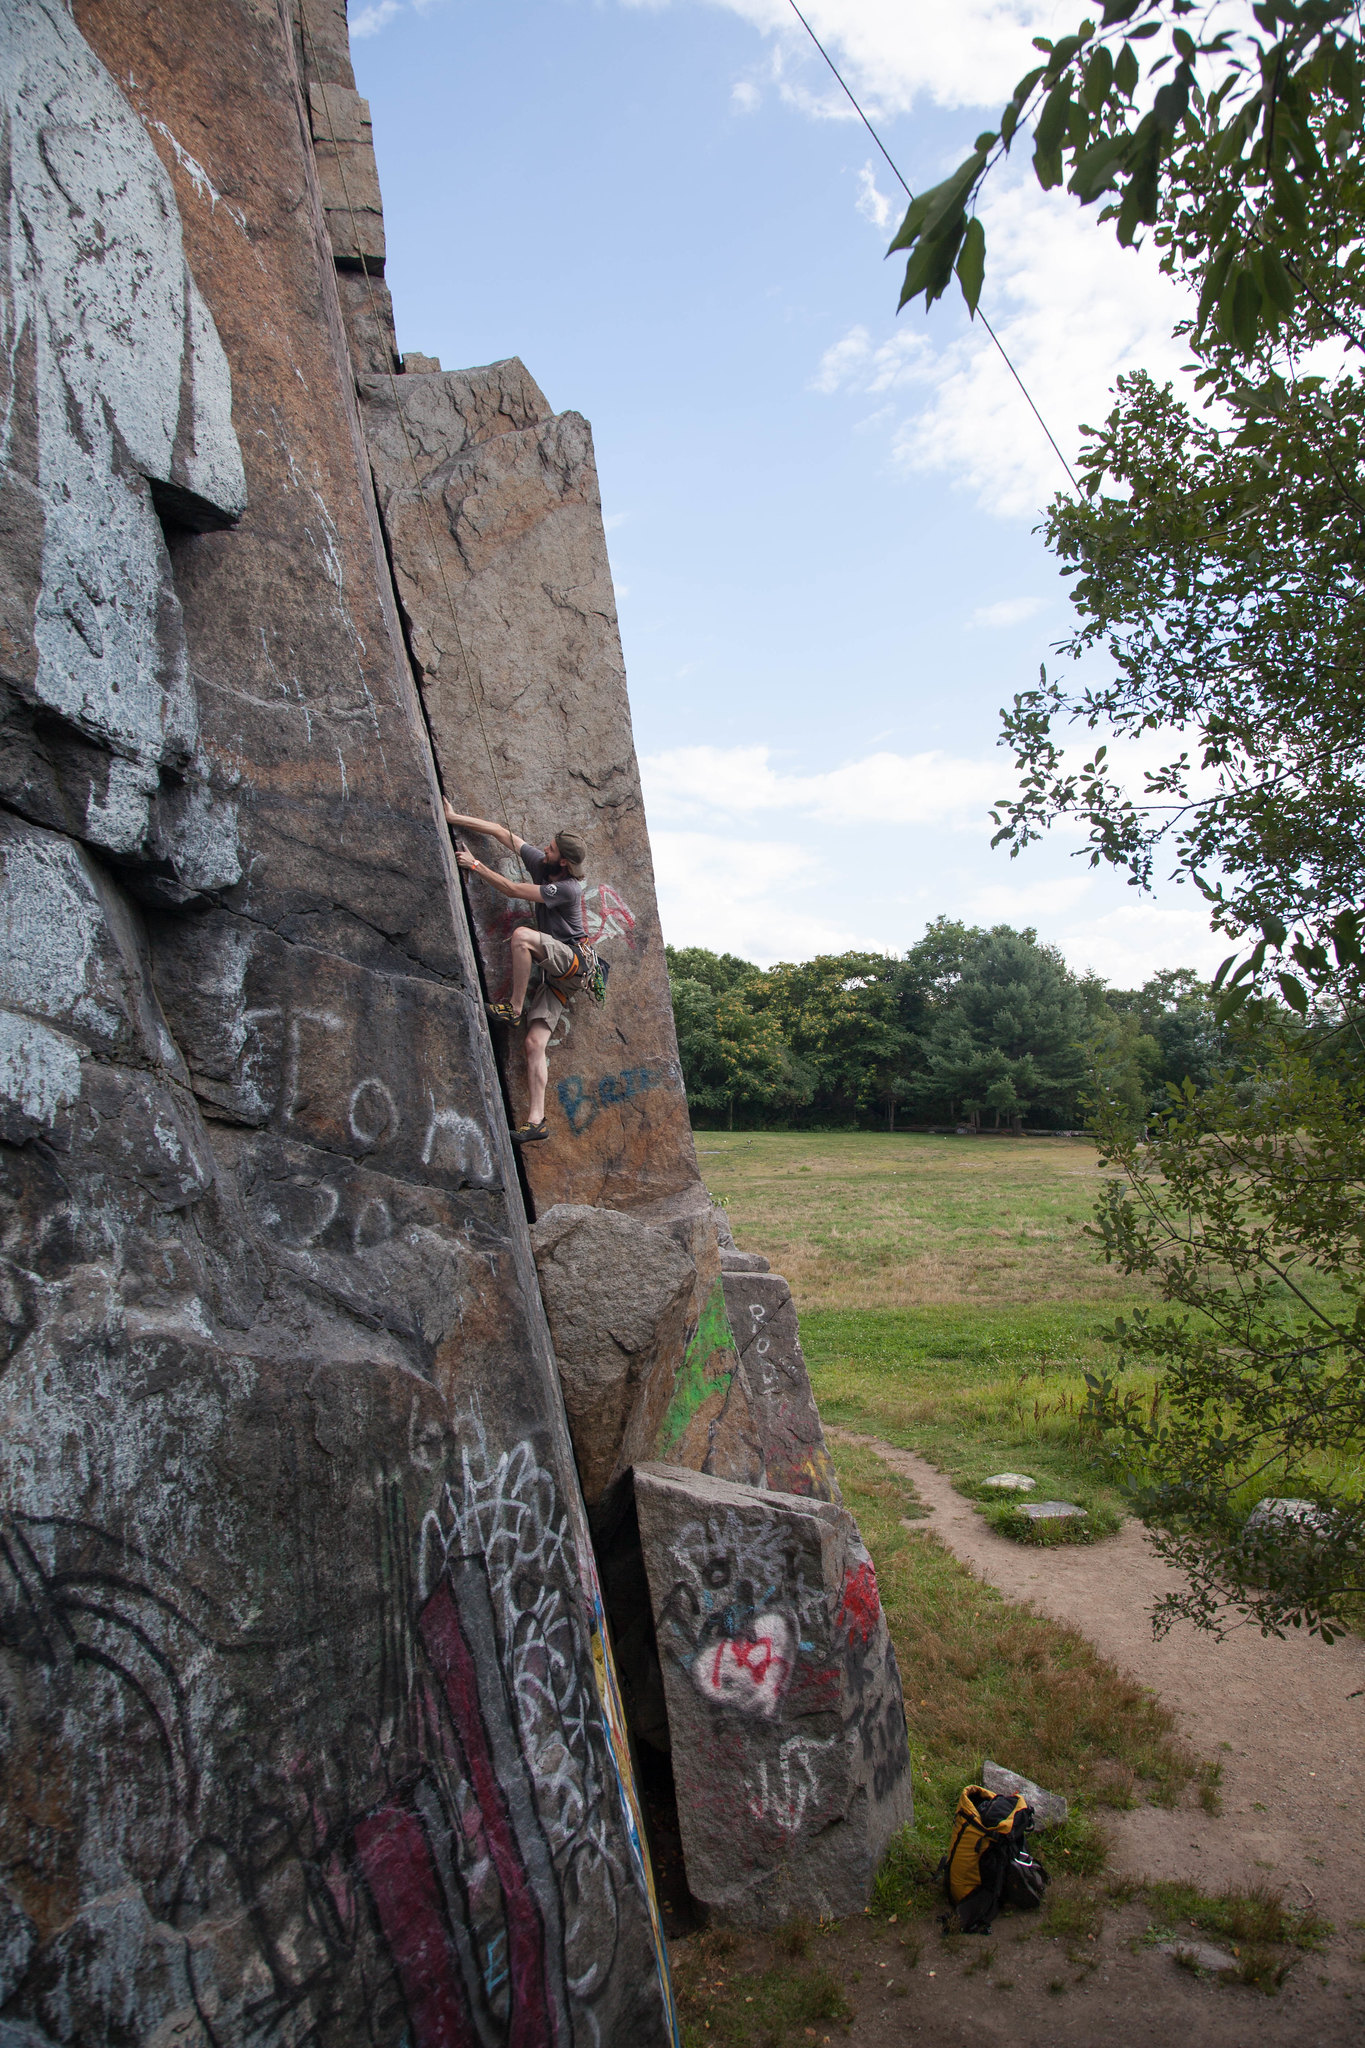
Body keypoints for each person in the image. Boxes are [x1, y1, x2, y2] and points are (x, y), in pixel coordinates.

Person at [442, 798, 592, 1145]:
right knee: (533, 1042)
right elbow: (501, 832)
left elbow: (511, 889)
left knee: (522, 936)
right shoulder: (543, 864)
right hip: (560, 976)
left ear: (564, 862)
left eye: (551, 848)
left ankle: (513, 1007)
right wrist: (453, 817)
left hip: (573, 962)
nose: (544, 849)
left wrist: (475, 866)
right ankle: (536, 1121)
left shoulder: (566, 889)